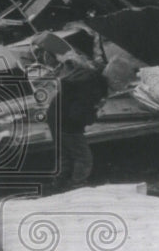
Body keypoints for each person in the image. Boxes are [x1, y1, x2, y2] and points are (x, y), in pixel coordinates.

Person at [30, 32, 108, 192]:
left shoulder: (85, 74)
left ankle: (59, 183)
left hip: (55, 114)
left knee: (65, 152)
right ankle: (77, 186)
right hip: (68, 121)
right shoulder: (94, 86)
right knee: (83, 157)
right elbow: (78, 113)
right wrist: (93, 116)